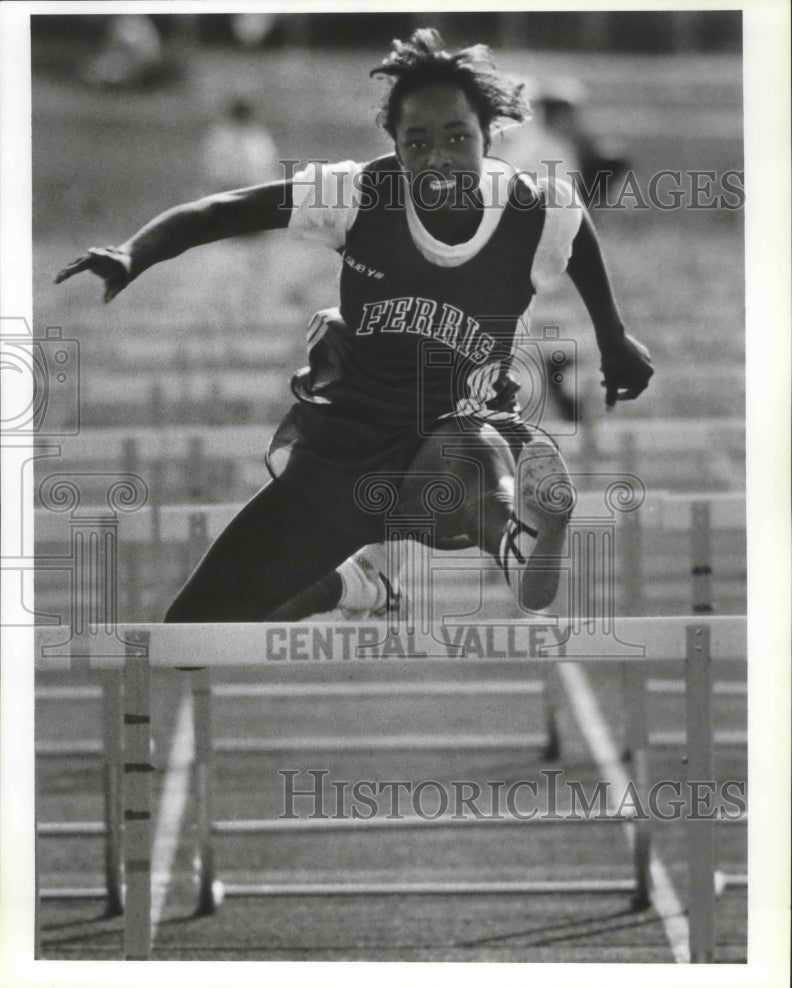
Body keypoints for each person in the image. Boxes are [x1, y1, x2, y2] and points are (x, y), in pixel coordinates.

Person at [56, 28, 653, 624]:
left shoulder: (533, 208)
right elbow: (222, 211)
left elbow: (573, 233)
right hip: (344, 447)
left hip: (451, 432)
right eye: (417, 141)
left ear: (488, 136)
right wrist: (136, 252)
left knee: (479, 481)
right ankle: (353, 588)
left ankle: (528, 530)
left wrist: (613, 336)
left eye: (457, 136)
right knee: (191, 633)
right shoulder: (357, 194)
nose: (439, 155)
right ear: (393, 143)